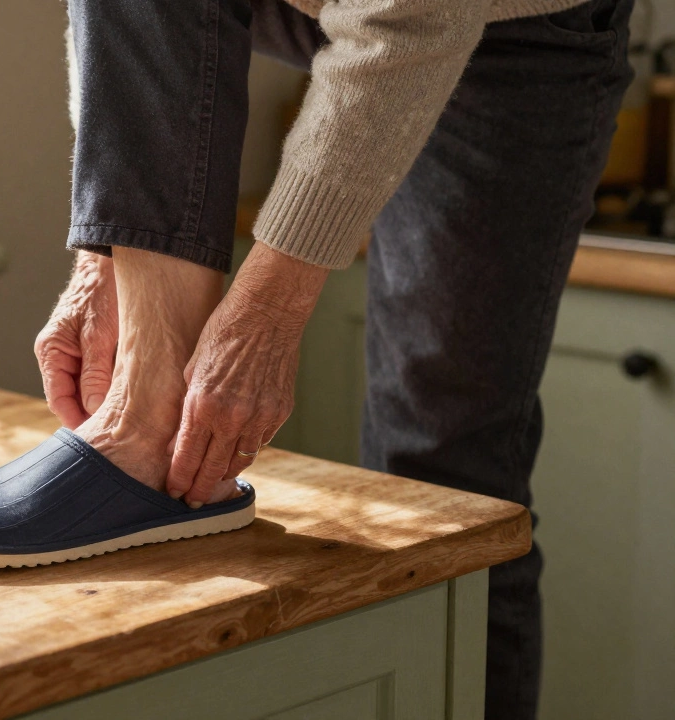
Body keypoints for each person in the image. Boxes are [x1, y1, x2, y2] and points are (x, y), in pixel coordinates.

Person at [34, 0, 633, 717]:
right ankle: (142, 413)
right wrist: (104, 255)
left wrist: (268, 312)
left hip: (516, 32)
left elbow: (410, 17)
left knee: (445, 489)